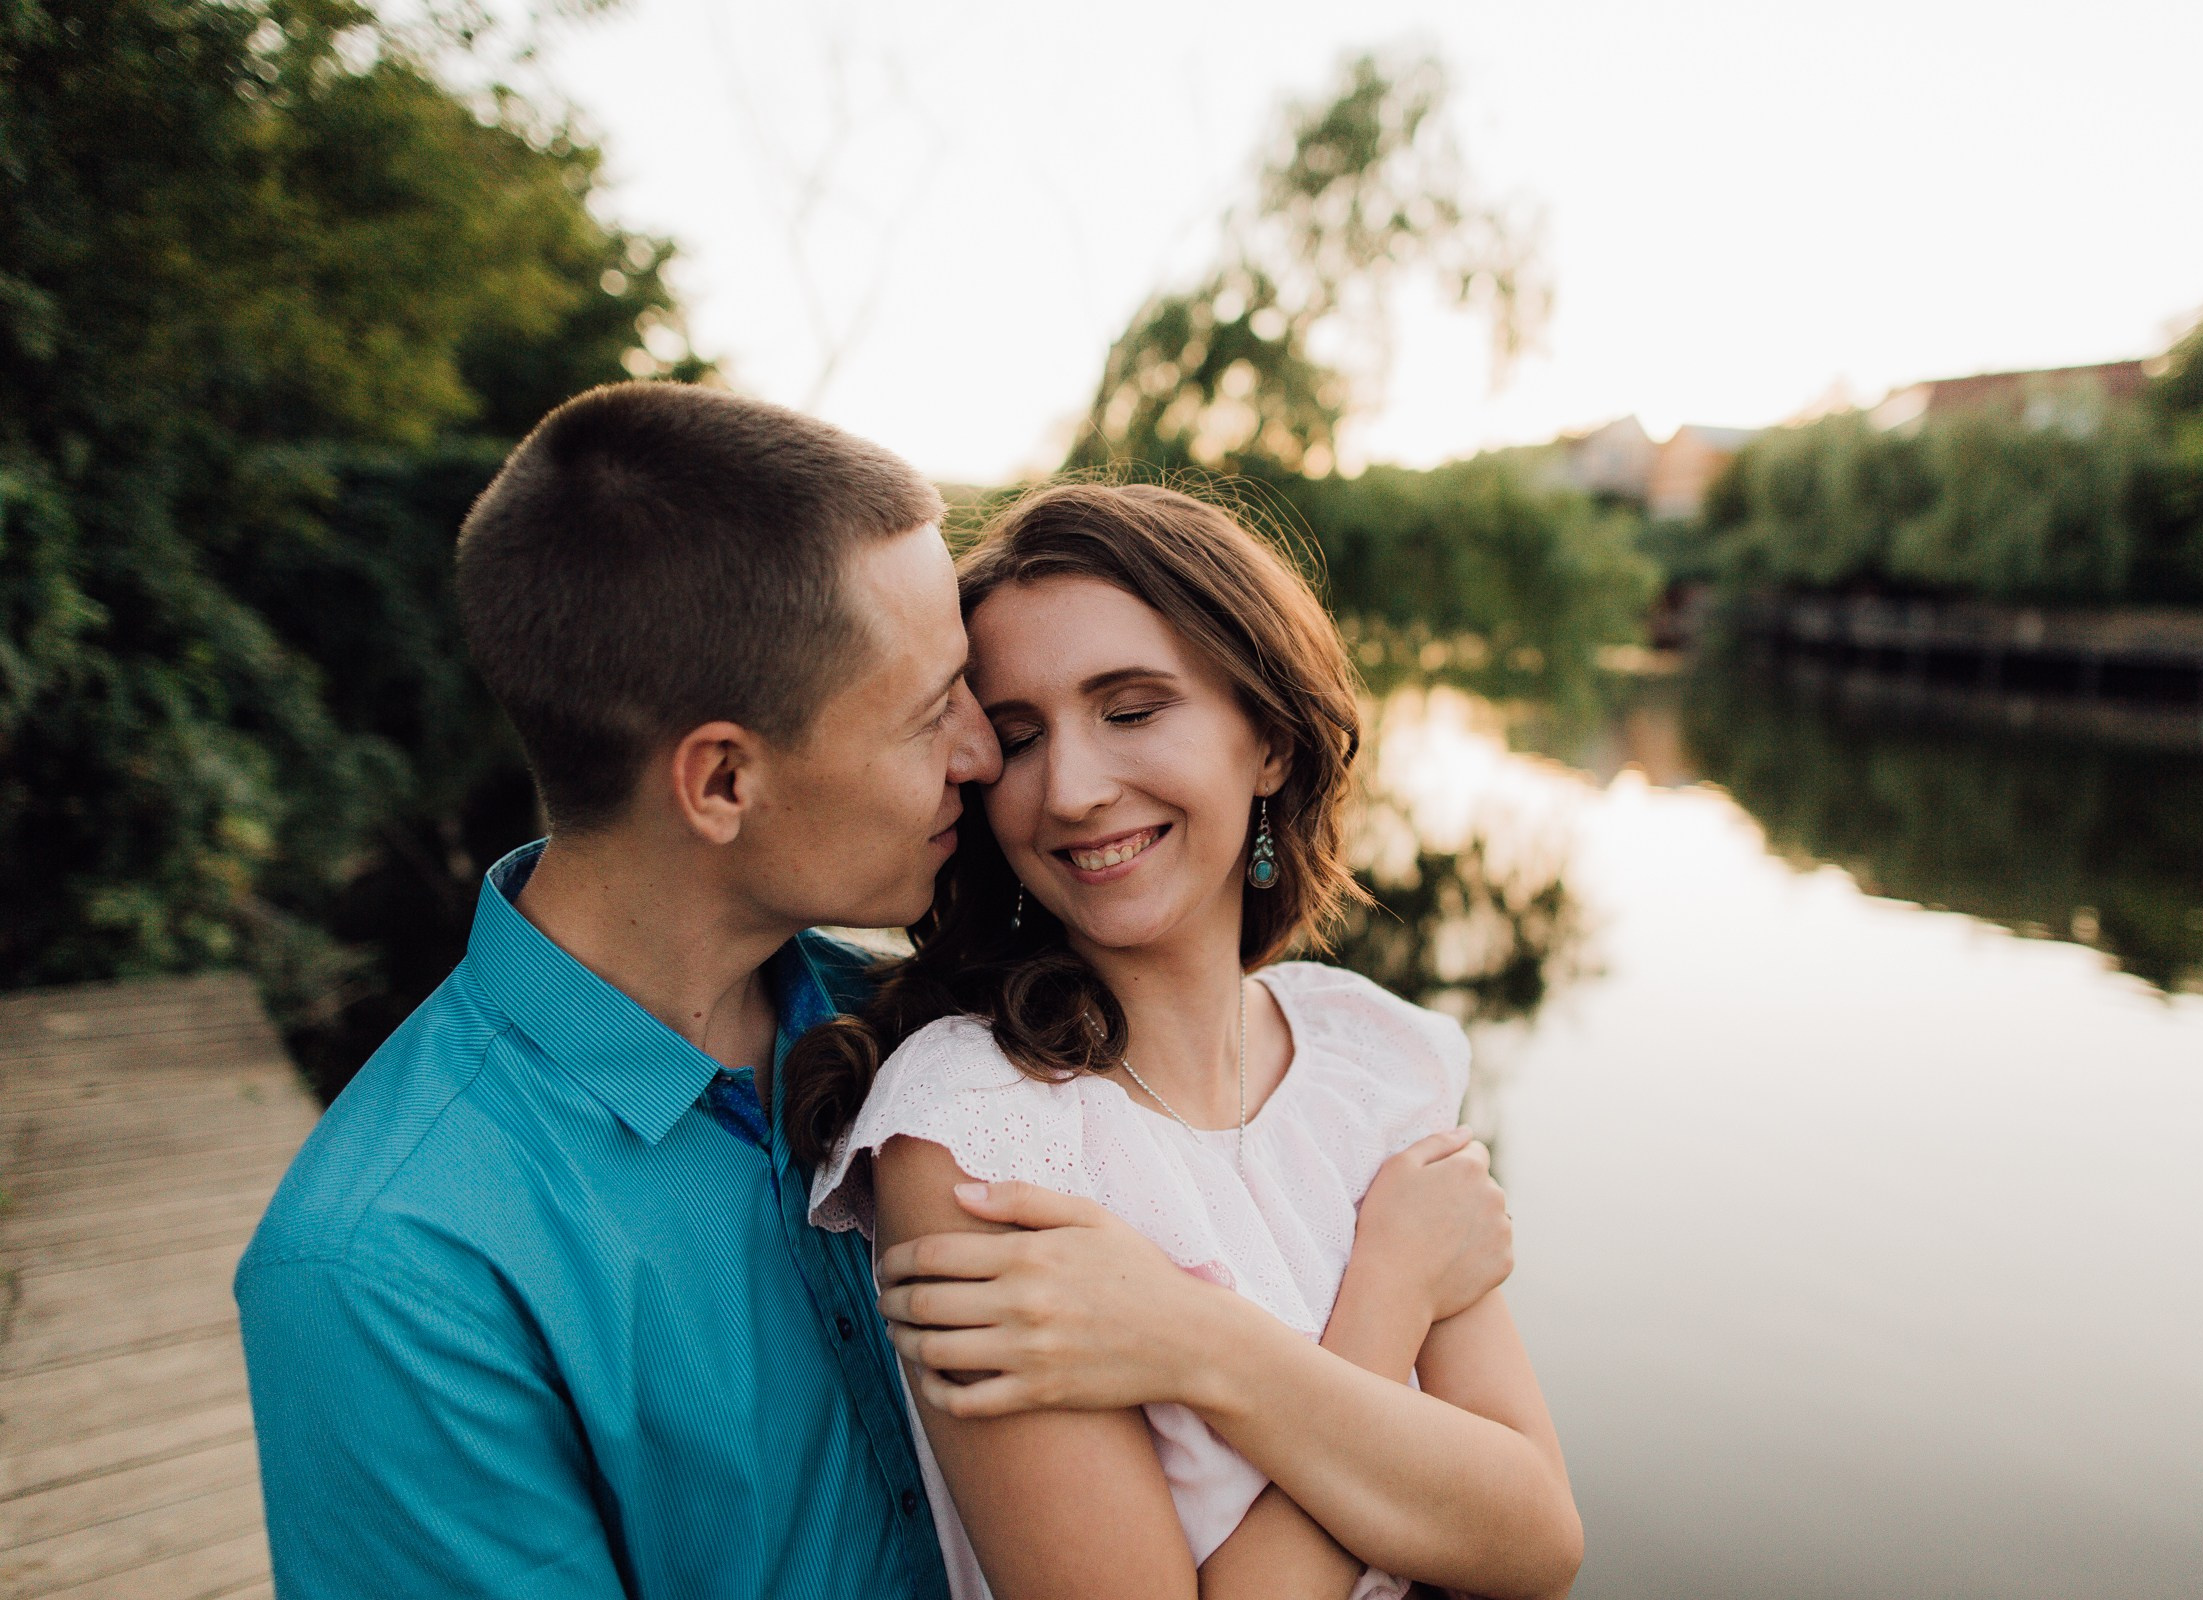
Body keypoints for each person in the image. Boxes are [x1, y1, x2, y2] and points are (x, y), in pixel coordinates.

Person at [234, 384, 1560, 1599]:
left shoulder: (914, 1027)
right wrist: (1365, 1316)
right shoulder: (391, 1266)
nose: (994, 762)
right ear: (722, 783)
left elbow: (1531, 1527)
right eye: (943, 711)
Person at [795, 482, 1583, 1598]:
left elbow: (1537, 1535)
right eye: (1018, 738)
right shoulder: (975, 1137)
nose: (1070, 788)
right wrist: (1381, 1293)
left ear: (1266, 737)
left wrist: (1193, 1343)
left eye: (1130, 710)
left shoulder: (1369, 1057)